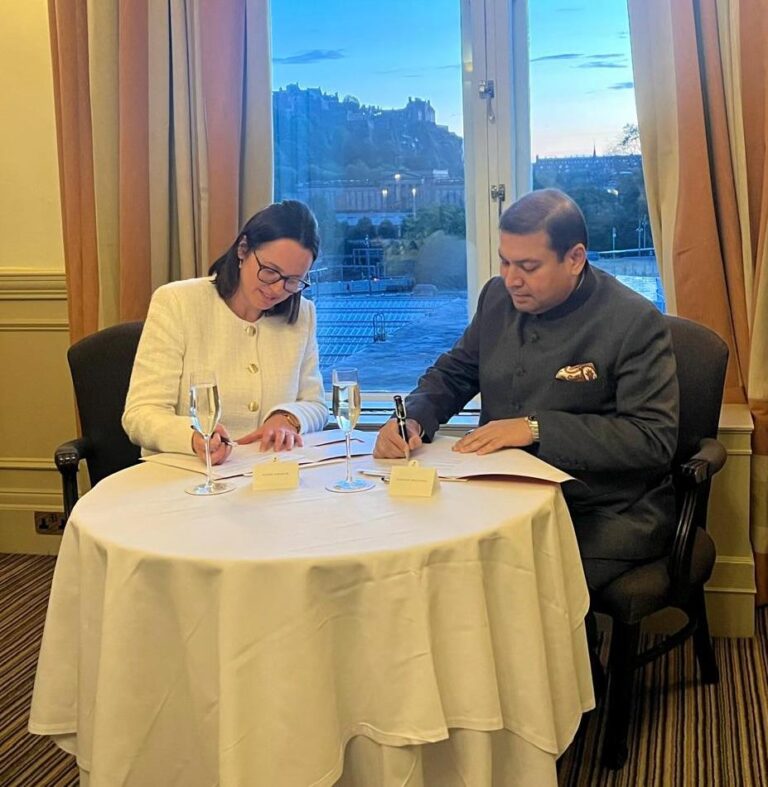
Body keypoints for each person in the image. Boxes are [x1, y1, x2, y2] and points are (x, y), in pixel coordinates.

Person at [375, 188, 679, 591]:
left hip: (600, 509)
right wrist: (412, 417)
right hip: (500, 495)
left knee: (501, 581)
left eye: (528, 266)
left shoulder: (633, 321)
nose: (511, 279)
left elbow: (652, 438)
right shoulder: (497, 298)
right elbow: (456, 372)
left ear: (575, 259)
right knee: (416, 556)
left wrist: (535, 428)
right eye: (504, 261)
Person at [123, 200, 328, 465]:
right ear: (243, 250)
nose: (278, 290)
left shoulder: (303, 314)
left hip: (270, 476)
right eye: (270, 272)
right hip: (188, 476)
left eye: (293, 280)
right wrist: (191, 436)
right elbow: (140, 413)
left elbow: (317, 405)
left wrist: (287, 418)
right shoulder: (178, 302)